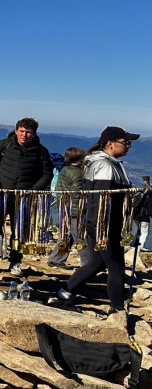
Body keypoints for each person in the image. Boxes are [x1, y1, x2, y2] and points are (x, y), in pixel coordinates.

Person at [56, 127, 139, 312]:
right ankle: (117, 310)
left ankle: (64, 293)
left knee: (97, 263)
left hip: (95, 222)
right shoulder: (105, 166)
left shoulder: (101, 163)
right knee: (116, 267)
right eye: (125, 142)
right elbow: (101, 199)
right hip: (104, 224)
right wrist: (103, 229)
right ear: (110, 144)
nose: (128, 146)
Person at [0, 117, 54, 275]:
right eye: (22, 131)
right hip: (1, 193)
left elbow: (47, 174)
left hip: (24, 198)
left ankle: (15, 261)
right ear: (16, 130)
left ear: (34, 134)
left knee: (19, 231)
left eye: (28, 132)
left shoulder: (41, 151)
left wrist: (32, 190)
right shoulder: (4, 145)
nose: (24, 135)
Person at [48, 146, 87, 268]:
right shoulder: (77, 173)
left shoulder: (64, 170)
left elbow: (59, 187)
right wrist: (81, 208)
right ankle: (87, 264)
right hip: (75, 209)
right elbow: (76, 193)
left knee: (67, 234)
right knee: (79, 236)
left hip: (64, 205)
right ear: (80, 160)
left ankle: (56, 258)